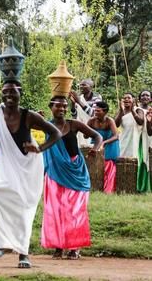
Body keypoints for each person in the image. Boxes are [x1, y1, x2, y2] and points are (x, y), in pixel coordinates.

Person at [0, 83, 62, 269]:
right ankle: (1, 243)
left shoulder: (29, 116)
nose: (9, 95)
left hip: (27, 166)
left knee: (23, 207)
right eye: (5, 92)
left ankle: (23, 254)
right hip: (4, 164)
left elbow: (55, 133)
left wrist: (40, 148)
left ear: (20, 94)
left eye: (13, 92)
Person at [41, 96, 102, 260]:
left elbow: (97, 136)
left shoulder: (74, 124)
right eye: (58, 106)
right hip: (55, 172)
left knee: (75, 210)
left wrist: (95, 149)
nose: (61, 109)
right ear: (50, 107)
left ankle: (74, 247)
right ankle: (58, 246)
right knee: (55, 210)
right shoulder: (46, 125)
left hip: (75, 172)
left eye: (64, 106)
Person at [115, 92, 151, 192]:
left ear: (133, 100)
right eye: (124, 98)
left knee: (134, 162)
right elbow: (116, 124)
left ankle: (135, 187)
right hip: (123, 140)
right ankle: (122, 186)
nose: (126, 100)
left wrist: (132, 111)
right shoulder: (121, 111)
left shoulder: (138, 110)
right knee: (122, 162)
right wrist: (121, 111)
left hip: (135, 141)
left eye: (129, 98)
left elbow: (140, 121)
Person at [87, 101, 120, 193]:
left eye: (98, 111)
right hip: (97, 144)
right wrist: (87, 130)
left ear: (105, 111)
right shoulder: (91, 121)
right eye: (95, 110)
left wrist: (104, 142)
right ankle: (95, 188)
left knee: (109, 166)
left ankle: (108, 189)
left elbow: (116, 136)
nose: (95, 112)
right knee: (96, 166)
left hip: (110, 144)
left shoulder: (110, 121)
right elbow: (85, 135)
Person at [69, 79, 102, 146]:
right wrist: (73, 104)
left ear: (90, 87)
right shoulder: (80, 98)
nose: (81, 86)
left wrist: (78, 101)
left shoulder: (97, 98)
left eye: (84, 85)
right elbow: (74, 116)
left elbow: (94, 114)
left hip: (92, 129)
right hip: (80, 131)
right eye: (80, 85)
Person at [136, 91, 152, 192]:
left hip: (149, 138)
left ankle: (147, 185)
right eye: (143, 95)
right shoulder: (136, 109)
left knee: (148, 160)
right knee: (140, 159)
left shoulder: (151, 111)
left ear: (151, 99)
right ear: (139, 98)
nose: (145, 97)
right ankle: (138, 185)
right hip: (138, 138)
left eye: (147, 95)